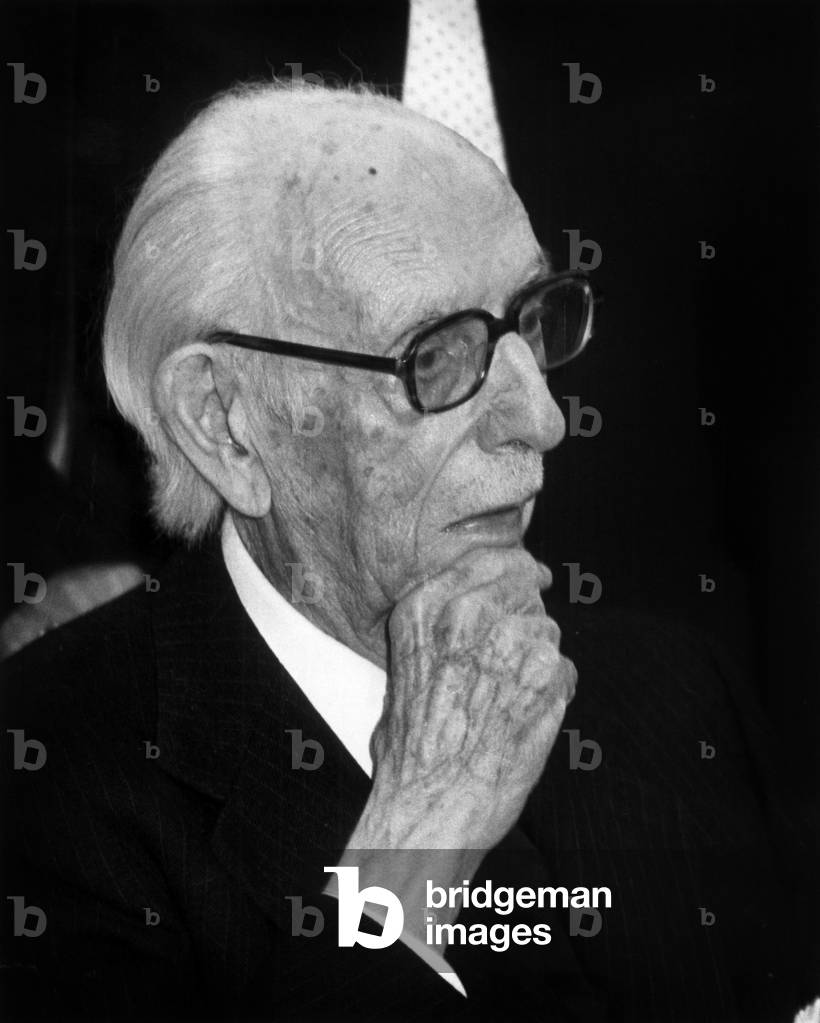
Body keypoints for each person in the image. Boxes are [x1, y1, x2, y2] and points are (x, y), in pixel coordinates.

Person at [1, 81, 814, 1023]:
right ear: (225, 424)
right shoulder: (50, 794)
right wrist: (410, 856)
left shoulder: (674, 692)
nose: (543, 420)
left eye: (535, 318)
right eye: (438, 355)